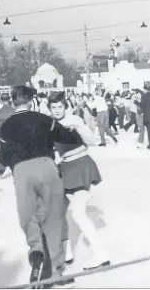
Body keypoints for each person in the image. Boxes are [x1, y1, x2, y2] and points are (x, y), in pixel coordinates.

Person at [0, 86, 81, 286]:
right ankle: (56, 269)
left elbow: (3, 155)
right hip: (46, 165)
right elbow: (66, 137)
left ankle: (36, 249)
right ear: (32, 100)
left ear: (12, 102)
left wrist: (16, 165)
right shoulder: (44, 119)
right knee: (53, 216)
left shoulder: (6, 126)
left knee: (28, 214)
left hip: (21, 170)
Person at [48, 92, 110, 272]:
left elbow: (92, 140)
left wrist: (78, 126)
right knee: (59, 212)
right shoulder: (52, 124)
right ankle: (67, 252)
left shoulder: (73, 119)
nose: (57, 110)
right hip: (65, 169)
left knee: (78, 213)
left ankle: (101, 254)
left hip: (81, 166)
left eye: (60, 106)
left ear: (65, 107)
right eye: (54, 107)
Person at [0, 93, 15, 178]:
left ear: (1, 100)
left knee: (3, 152)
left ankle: (1, 170)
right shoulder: (15, 110)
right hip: (15, 134)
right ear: (9, 100)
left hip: (3, 135)